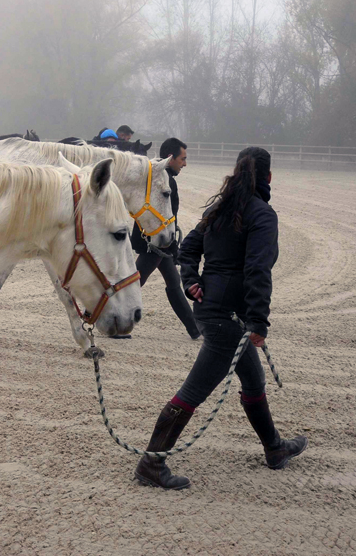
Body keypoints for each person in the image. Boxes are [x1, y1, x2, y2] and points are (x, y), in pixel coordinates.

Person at [133, 147, 308, 490]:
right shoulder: (262, 215)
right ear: (268, 177)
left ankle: (274, 448)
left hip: (216, 312)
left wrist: (191, 281)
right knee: (193, 391)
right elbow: (257, 269)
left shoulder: (219, 209)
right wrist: (259, 321)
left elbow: (187, 249)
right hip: (227, 320)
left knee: (254, 381)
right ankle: (151, 463)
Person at [123, 137, 200, 340]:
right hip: (155, 242)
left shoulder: (158, 175)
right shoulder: (164, 180)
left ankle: (195, 329)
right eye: (182, 159)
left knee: (173, 282)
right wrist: (172, 246)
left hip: (158, 240)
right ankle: (112, 321)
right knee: (134, 284)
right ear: (170, 157)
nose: (185, 163)